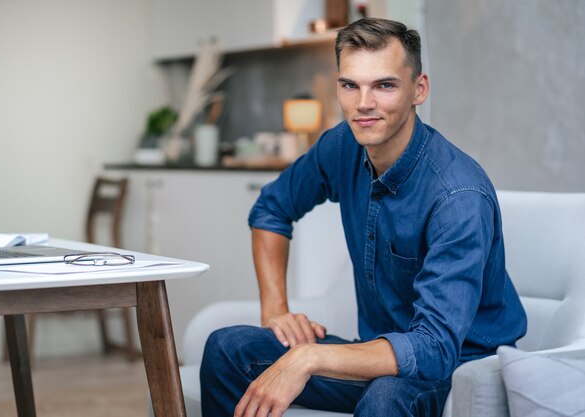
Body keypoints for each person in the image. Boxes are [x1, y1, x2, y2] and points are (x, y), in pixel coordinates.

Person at [200, 17, 527, 417]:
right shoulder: (344, 146)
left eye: (384, 85)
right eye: (350, 85)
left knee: (385, 398)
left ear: (418, 89)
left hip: (460, 367)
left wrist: (308, 358)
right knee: (226, 348)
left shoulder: (458, 196)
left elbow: (435, 347)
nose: (363, 103)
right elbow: (271, 208)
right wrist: (276, 312)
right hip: (378, 358)